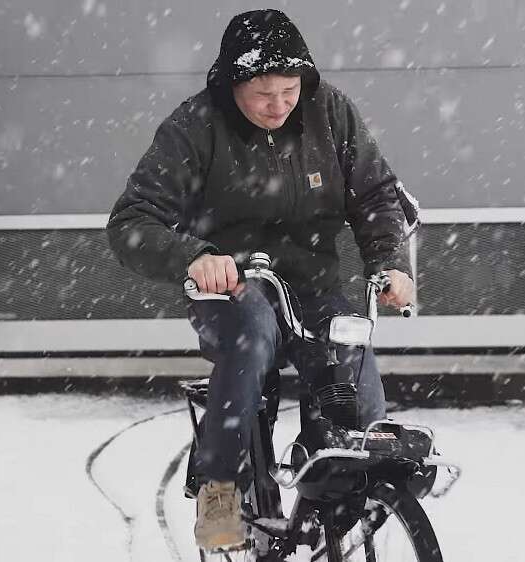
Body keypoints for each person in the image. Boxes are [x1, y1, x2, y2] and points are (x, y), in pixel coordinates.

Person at [106, 9, 419, 551]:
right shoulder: (196, 126)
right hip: (233, 287)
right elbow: (131, 221)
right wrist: (196, 257)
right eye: (263, 94)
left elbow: (376, 196)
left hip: (314, 287)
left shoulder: (330, 113)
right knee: (252, 334)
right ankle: (220, 491)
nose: (279, 105)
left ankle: (340, 487)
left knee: (352, 369)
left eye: (290, 91)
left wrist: (389, 263)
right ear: (233, 85)